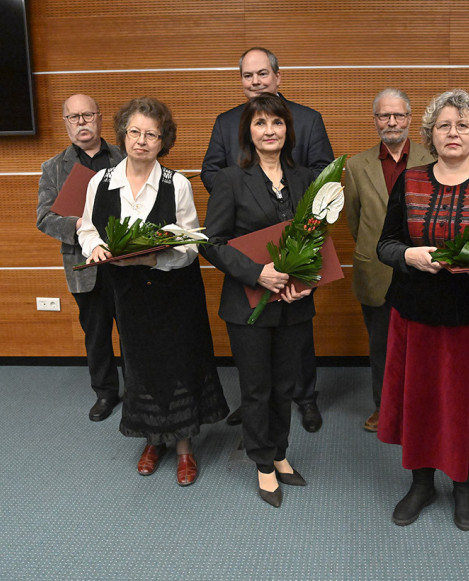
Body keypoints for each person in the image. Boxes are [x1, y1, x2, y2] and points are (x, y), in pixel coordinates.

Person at [376, 89, 469, 531]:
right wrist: (408, 255)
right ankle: (421, 484)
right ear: (431, 134)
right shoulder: (409, 180)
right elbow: (385, 244)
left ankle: (464, 484)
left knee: (467, 405)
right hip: (416, 315)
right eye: (444, 125)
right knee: (420, 403)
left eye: (462, 125)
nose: (453, 132)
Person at [77, 97, 228, 486]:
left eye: (151, 135)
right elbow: (87, 227)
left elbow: (190, 245)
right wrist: (95, 247)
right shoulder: (100, 181)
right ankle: (152, 439)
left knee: (179, 362)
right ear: (123, 134)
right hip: (128, 292)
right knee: (140, 363)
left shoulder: (176, 183)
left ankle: (184, 446)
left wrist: (154, 259)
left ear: (163, 141)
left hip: (174, 291)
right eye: (134, 132)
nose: (141, 141)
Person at [201, 47, 333, 432]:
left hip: (297, 243)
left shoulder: (307, 118)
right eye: (248, 75)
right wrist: (241, 195)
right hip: (247, 244)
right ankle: (256, 411)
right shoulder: (226, 122)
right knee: (256, 363)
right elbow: (211, 171)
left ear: (278, 76)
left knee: (295, 340)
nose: (256, 81)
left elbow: (323, 175)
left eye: (262, 73)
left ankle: (304, 399)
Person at [201, 94, 316, 508]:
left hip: (294, 302)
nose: (270, 131)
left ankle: (280, 451)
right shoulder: (231, 179)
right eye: (260, 123)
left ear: (288, 129)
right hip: (247, 304)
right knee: (257, 387)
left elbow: (315, 238)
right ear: (247, 133)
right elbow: (212, 243)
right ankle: (262, 461)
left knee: (286, 385)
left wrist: (308, 281)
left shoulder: (305, 178)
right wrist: (257, 273)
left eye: (277, 122)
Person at [344, 88, 434, 432]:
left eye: (398, 115)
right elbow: (355, 219)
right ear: (375, 120)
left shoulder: (432, 158)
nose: (392, 122)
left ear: (409, 118)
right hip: (375, 268)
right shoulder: (356, 166)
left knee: (421, 345)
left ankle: (419, 407)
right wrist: (374, 247)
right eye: (384, 115)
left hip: (422, 268)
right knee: (381, 344)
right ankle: (383, 408)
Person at [36, 94, 125, 422]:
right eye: (74, 117)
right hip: (84, 265)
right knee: (96, 332)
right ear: (66, 123)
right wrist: (81, 225)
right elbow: (44, 218)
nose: (81, 122)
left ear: (99, 118)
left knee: (133, 330)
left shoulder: (125, 156)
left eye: (87, 115)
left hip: (126, 259)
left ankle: (140, 389)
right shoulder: (53, 168)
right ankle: (105, 393)